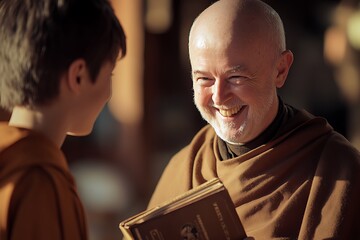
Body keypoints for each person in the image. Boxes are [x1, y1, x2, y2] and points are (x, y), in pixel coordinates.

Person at [147, 0, 360, 239]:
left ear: (280, 69)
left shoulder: (336, 169)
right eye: (204, 79)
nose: (219, 96)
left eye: (236, 76)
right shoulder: (186, 167)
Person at [0, 0, 126, 239]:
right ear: (78, 76)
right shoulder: (38, 183)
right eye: (109, 75)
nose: (109, 94)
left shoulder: (12, 160)